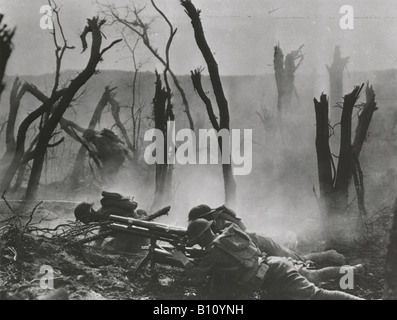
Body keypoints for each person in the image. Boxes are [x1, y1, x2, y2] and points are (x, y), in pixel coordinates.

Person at [171, 219, 364, 300]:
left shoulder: (213, 251)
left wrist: (182, 259)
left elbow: (196, 277)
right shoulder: (227, 235)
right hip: (273, 267)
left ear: (203, 236)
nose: (196, 244)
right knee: (314, 277)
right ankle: (353, 271)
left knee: (319, 295)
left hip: (273, 275)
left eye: (196, 240)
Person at [188, 204, 346, 266]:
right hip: (253, 246)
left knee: (298, 259)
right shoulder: (213, 224)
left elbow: (242, 229)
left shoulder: (221, 218)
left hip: (258, 241)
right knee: (294, 260)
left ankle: (330, 255)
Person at [74, 191, 148, 252]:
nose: (83, 222)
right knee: (106, 248)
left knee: (108, 250)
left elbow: (99, 241)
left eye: (82, 219)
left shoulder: (104, 216)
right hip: (138, 234)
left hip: (139, 237)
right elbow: (100, 237)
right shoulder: (102, 212)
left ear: (87, 216)